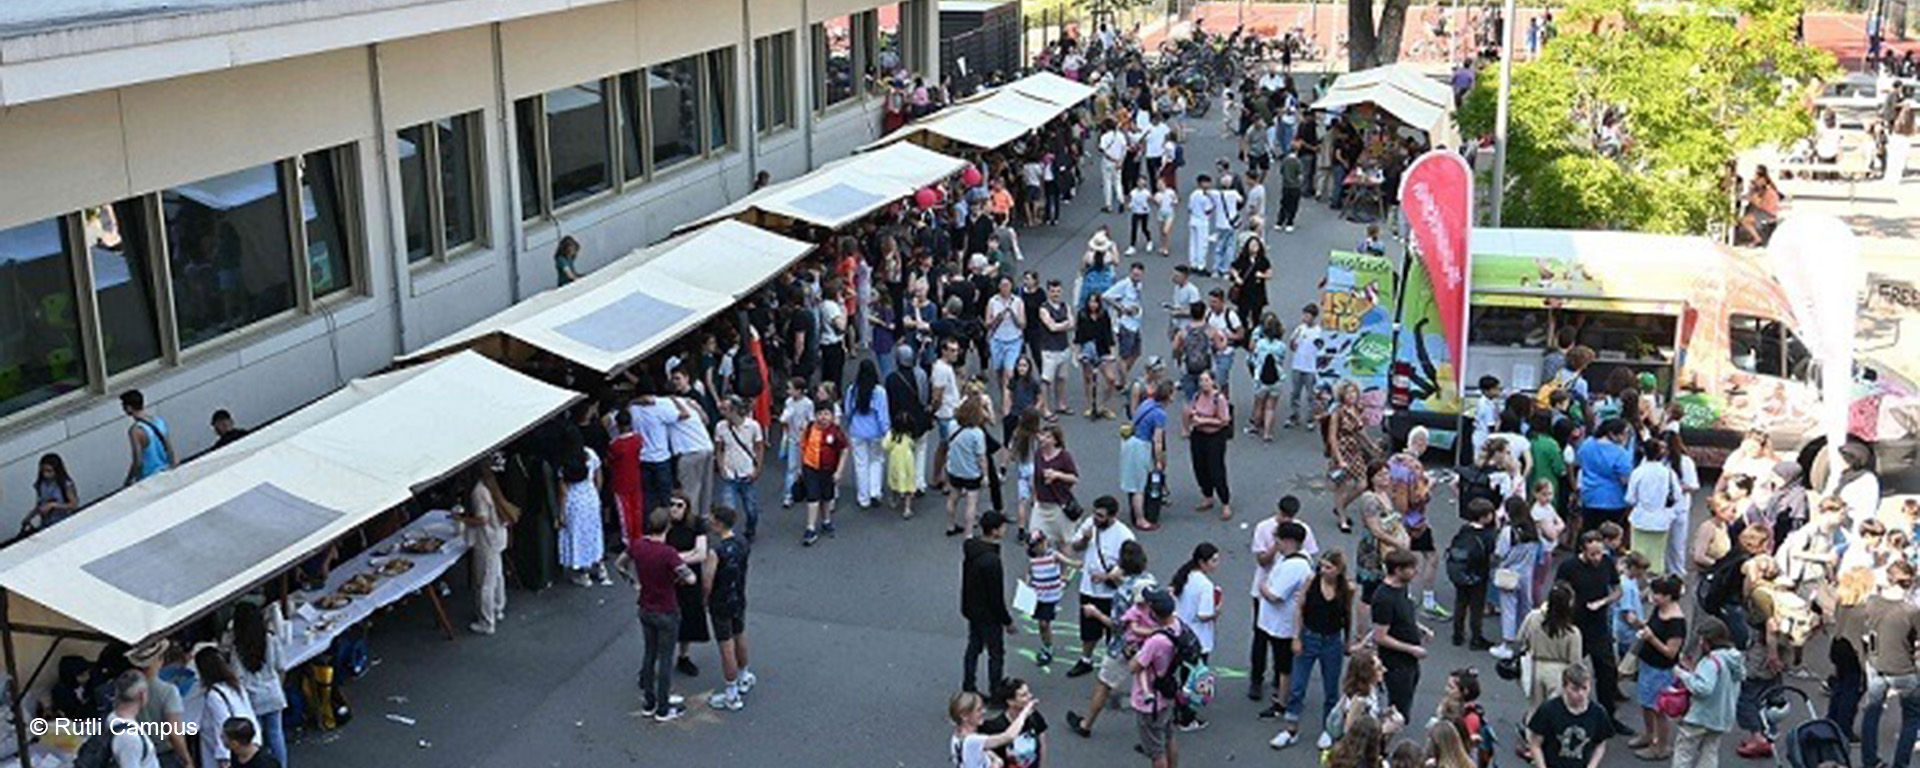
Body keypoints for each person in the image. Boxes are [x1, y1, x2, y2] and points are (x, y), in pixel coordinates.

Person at [1557, 531, 1630, 734]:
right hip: (1574, 628)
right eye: (1592, 554)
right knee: (1568, 673)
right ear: (1582, 550)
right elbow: (1559, 592)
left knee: (1607, 672)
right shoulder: (1569, 567)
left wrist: (1604, 602)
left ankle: (1608, 718)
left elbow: (1617, 590)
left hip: (1598, 627)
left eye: (1599, 553)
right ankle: (1564, 714)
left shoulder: (1607, 562)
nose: (1597, 558)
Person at [629, 509, 697, 721]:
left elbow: (620, 564)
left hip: (645, 608)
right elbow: (691, 578)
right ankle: (663, 707)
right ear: (667, 527)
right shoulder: (668, 553)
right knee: (665, 659)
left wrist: (635, 583)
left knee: (649, 654)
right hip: (666, 609)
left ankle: (649, 702)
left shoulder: (638, 545)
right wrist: (680, 578)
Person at [1065, 496, 1136, 679]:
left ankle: (1111, 663)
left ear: (1113, 516)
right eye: (1095, 514)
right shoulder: (1090, 524)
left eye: (1101, 516)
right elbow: (1075, 546)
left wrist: (1106, 577)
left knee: (1113, 630)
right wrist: (1084, 539)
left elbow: (1131, 567)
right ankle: (1086, 659)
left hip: (1112, 593)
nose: (1096, 519)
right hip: (1088, 589)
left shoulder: (1124, 535)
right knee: (1088, 629)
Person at [1860, 559, 1920, 768]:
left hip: (1876, 663)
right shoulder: (1911, 610)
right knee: (1912, 718)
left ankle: (1869, 760)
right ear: (1910, 583)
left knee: (1872, 710)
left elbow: (1866, 630)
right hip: (1903, 667)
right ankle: (1900, 764)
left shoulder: (1872, 601)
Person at [1256, 521, 1314, 736]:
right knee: (1283, 663)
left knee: (1284, 665)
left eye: (1278, 539)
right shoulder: (1298, 559)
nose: (1276, 543)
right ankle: (1284, 695)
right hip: (1280, 622)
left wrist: (1263, 588)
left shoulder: (1294, 566)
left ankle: (1283, 702)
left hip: (1283, 624)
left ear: (1288, 541)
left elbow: (1276, 596)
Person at [1671, 616, 1744, 768]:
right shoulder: (1733, 659)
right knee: (1710, 752)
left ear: (1707, 640)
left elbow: (1703, 688)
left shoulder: (1711, 662)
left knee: (1684, 751)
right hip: (1721, 717)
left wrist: (1682, 674)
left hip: (1700, 716)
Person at [703, 507, 755, 712]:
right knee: (739, 635)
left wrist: (704, 600)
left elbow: (708, 581)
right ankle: (744, 675)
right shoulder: (743, 542)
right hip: (738, 598)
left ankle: (731, 694)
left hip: (721, 602)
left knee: (726, 646)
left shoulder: (716, 551)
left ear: (718, 523)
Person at [1627, 574, 1685, 759]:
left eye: (1657, 593)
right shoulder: (1659, 609)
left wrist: (1651, 638)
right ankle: (1649, 735)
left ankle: (1661, 746)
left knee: (1658, 708)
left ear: (1668, 596)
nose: (1653, 596)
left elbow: (1671, 652)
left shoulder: (1676, 622)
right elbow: (1652, 627)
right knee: (1646, 703)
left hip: (1661, 669)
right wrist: (1638, 624)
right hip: (1648, 663)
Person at [1370, 550, 1429, 720]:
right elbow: (1380, 636)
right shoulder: (1384, 599)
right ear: (1397, 571)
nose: (1415, 572)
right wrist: (1412, 649)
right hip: (1396, 663)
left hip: (1409, 661)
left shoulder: (1402, 588)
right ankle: (1383, 740)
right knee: (1397, 713)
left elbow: (1401, 618)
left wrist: (1420, 628)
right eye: (1411, 568)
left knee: (1404, 704)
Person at [456, 461, 513, 635]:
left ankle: (486, 621)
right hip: (498, 535)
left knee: (484, 583)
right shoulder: (490, 485)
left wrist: (461, 518)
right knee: (496, 574)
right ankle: (498, 606)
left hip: (486, 540)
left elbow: (482, 519)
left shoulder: (478, 492)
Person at [962, 510, 1015, 694]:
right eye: (1002, 526)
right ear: (994, 531)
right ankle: (996, 690)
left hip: (971, 608)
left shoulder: (971, 546)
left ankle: (969, 685)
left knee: (973, 647)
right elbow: (996, 597)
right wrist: (1007, 621)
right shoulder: (992, 561)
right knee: (996, 653)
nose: (1005, 529)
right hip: (988, 615)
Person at [1130, 588, 1185, 768]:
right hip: (1168, 692)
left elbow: (1135, 666)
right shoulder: (1177, 626)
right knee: (1169, 736)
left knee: (1156, 751)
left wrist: (1134, 653)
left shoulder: (1156, 641)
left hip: (1151, 700)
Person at [227, 605, 287, 767]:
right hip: (273, 692)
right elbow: (281, 666)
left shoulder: (237, 648)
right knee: (276, 733)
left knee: (256, 738)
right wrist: (279, 686)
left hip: (253, 698)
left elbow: (237, 676)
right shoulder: (270, 639)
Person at [1170, 543, 1220, 730]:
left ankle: (1176, 711)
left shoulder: (1184, 577)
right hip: (1198, 639)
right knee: (1193, 679)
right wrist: (1217, 611)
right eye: (1213, 560)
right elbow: (1203, 614)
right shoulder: (1206, 585)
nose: (1217, 564)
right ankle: (1187, 717)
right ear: (1202, 562)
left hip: (1181, 634)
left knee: (1182, 675)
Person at [1525, 664, 1614, 768]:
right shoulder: (1548, 710)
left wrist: (1592, 766)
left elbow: (1600, 744)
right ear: (1564, 687)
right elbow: (1535, 744)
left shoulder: (1598, 713)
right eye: (1575, 689)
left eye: (1584, 688)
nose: (1581, 694)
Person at [1493, 498, 1545, 660]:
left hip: (1509, 573)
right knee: (1525, 607)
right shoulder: (1533, 530)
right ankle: (1528, 641)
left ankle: (1507, 644)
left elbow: (1500, 552)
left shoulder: (1509, 531)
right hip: (1527, 573)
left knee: (1509, 608)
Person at [125, 640, 190, 766]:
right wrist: (186, 759)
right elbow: (174, 732)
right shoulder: (168, 691)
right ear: (159, 660)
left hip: (133, 752)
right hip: (162, 754)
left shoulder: (124, 688)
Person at [194, 644, 258, 768]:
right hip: (246, 740)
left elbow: (222, 724)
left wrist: (224, 756)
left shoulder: (214, 695)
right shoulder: (234, 685)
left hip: (226, 747)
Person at [1119, 380, 1171, 531]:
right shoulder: (1160, 414)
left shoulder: (1147, 403)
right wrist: (1159, 461)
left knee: (1134, 481)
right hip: (1141, 446)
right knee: (1139, 485)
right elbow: (1158, 441)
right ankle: (1141, 519)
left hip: (1130, 442)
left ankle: (1136, 513)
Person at [1625, 439, 1683, 573]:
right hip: (1661, 520)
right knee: (1657, 557)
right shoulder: (1668, 473)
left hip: (1640, 519)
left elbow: (1630, 498)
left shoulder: (1638, 472)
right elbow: (1677, 496)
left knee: (1637, 556)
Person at [556, 437, 608, 587]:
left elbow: (563, 492)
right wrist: (596, 494)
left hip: (574, 502)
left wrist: (561, 513)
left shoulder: (564, 463)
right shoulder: (590, 454)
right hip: (590, 497)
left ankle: (583, 573)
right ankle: (599, 566)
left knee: (578, 536)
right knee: (594, 533)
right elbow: (599, 476)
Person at [1448, 499, 1498, 649]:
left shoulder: (1464, 529)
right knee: (1476, 607)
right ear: (1484, 517)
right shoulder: (1488, 535)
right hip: (1478, 574)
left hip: (1459, 571)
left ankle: (1458, 634)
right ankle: (1476, 638)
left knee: (1460, 602)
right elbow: (1493, 554)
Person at [797, 401, 848, 547]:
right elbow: (803, 447)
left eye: (826, 414)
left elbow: (844, 450)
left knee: (827, 496)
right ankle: (810, 528)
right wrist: (801, 467)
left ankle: (826, 520)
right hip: (810, 467)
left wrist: (839, 471)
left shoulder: (836, 432)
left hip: (828, 469)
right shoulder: (809, 429)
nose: (823, 417)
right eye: (819, 414)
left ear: (832, 416)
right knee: (813, 497)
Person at [1185, 369, 1233, 520]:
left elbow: (1224, 420)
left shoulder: (1219, 398)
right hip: (1198, 435)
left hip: (1215, 436)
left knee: (1216, 468)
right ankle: (1207, 495)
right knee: (1199, 466)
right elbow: (1191, 410)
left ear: (1213, 381)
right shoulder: (1197, 396)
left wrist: (1204, 421)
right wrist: (1191, 418)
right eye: (1201, 381)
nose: (1203, 384)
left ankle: (1225, 503)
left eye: (1206, 380)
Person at [1326, 382, 1372, 534]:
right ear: (1342, 396)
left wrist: (1371, 445)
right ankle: (1342, 519)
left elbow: (1360, 431)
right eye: (1348, 393)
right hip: (1342, 450)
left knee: (1362, 484)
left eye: (1354, 392)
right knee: (1342, 487)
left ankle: (1341, 507)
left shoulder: (1357, 410)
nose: (1352, 396)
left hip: (1355, 450)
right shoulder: (1337, 413)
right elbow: (1332, 437)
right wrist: (1339, 459)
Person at [952, 689, 1037, 768]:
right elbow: (1008, 736)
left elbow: (978, 751)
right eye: (978, 710)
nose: (983, 712)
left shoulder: (957, 738)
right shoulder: (973, 740)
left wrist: (994, 758)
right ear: (964, 716)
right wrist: (1024, 713)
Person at [1576, 419, 1634, 534]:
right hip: (1613, 500)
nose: (1625, 438)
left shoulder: (1587, 444)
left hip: (1589, 495)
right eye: (1624, 434)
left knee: (1589, 531)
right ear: (1612, 434)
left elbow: (1579, 462)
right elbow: (1625, 479)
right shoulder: (1620, 453)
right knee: (1609, 535)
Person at [945, 397, 992, 537]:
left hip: (954, 469)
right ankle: (969, 533)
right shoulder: (977, 433)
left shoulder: (952, 425)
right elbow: (981, 457)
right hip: (971, 473)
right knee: (971, 503)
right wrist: (985, 475)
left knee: (953, 497)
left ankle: (950, 525)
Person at [984, 679, 1049, 768]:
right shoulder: (996, 726)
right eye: (1023, 695)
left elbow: (1042, 744)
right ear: (1010, 701)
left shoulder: (1034, 717)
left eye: (1028, 692)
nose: (1030, 696)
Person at [121, 390, 175, 486]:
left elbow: (138, 461)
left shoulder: (136, 430)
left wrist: (129, 480)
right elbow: (170, 449)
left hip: (149, 477)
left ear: (129, 408)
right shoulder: (159, 422)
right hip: (166, 470)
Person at [1284, 304, 1321, 428]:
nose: (1305, 318)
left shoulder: (1319, 332)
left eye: (1308, 315)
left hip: (1311, 368)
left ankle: (1311, 418)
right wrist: (1293, 344)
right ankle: (1294, 415)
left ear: (1314, 317)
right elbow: (1292, 344)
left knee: (1311, 395)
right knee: (1295, 393)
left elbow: (1322, 348)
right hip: (1297, 366)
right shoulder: (1300, 329)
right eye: (1304, 315)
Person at [28, 453, 79, 529]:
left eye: (49, 471)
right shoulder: (41, 484)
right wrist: (30, 516)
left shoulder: (65, 484)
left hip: (63, 522)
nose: (45, 474)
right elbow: (40, 504)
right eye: (43, 471)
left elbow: (73, 505)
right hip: (46, 523)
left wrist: (53, 505)